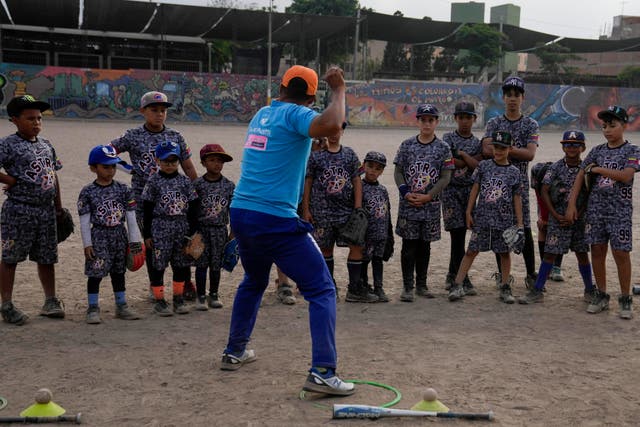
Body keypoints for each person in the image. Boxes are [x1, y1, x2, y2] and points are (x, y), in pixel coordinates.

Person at [220, 65, 355, 396]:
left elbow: (280, 148)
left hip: (242, 212)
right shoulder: (297, 114)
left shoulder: (263, 115)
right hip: (274, 219)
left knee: (253, 280)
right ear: (311, 97)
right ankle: (323, 371)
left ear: (280, 88)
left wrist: (311, 146)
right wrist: (338, 90)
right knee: (322, 289)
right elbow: (333, 122)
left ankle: (234, 351)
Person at [109, 91, 198, 299]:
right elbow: (107, 151)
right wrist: (127, 168)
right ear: (143, 111)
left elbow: (188, 166)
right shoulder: (132, 136)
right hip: (144, 200)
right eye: (154, 110)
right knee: (153, 243)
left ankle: (185, 282)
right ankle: (154, 285)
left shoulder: (176, 136)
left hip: (175, 202)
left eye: (163, 111)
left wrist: (197, 191)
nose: (160, 114)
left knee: (180, 241)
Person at [566, 106, 639, 319]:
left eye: (613, 125)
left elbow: (626, 176)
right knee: (597, 251)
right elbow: (581, 174)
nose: (607, 130)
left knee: (621, 253)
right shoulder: (597, 151)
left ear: (624, 126)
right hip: (596, 210)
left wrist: (597, 170)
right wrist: (572, 204)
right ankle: (602, 294)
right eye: (605, 126)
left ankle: (625, 298)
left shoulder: (632, 151)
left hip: (620, 211)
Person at [0, 95, 65, 325]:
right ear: (15, 120)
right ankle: (6, 304)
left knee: (47, 257)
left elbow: (53, 174)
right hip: (19, 209)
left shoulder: (46, 144)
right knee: (11, 257)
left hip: (46, 211)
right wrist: (11, 179)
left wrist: (58, 207)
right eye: (30, 118)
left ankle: (50, 300)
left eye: (39, 118)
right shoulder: (8, 144)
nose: (36, 122)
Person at [519, 130, 594, 304]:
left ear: (582, 148)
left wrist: (579, 213)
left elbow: (589, 194)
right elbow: (544, 191)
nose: (571, 148)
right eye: (568, 144)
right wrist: (554, 214)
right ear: (563, 147)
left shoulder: (586, 170)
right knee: (550, 254)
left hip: (579, 221)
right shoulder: (555, 168)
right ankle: (537, 290)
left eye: (576, 145)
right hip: (557, 219)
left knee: (582, 254)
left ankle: (589, 289)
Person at [303, 122, 375, 303]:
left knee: (357, 247)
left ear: (342, 131)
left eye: (338, 130)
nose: (334, 134)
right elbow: (308, 183)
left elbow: (357, 180)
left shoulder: (349, 154)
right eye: (330, 130)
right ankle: (330, 286)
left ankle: (354, 288)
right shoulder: (316, 157)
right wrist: (306, 209)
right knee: (326, 249)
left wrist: (358, 207)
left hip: (346, 211)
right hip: (322, 211)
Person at [449, 131, 523, 304]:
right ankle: (457, 284)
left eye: (503, 148)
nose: (498, 151)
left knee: (504, 253)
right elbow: (475, 188)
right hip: (482, 218)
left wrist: (520, 223)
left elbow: (517, 198)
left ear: (510, 149)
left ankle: (505, 287)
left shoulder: (514, 172)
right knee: (471, 251)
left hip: (503, 220)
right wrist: (469, 211)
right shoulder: (484, 166)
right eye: (496, 147)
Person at [483, 77, 538, 289]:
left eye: (517, 95)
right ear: (503, 98)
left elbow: (530, 154)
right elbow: (487, 150)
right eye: (509, 95)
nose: (512, 99)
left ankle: (531, 274)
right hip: (497, 186)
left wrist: (503, 148)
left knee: (522, 226)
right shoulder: (494, 123)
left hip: (519, 184)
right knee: (500, 229)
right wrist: (514, 149)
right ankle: (502, 274)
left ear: (522, 98)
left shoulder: (530, 124)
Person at [394, 104, 454, 302]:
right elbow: (398, 171)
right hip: (409, 204)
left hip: (430, 206)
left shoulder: (443, 148)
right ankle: (407, 286)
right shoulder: (407, 145)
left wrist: (429, 196)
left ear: (436, 122)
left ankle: (421, 284)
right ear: (417, 121)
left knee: (424, 246)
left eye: (431, 120)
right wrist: (405, 192)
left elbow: (446, 177)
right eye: (423, 119)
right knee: (408, 245)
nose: (427, 123)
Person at [78, 145, 143, 323]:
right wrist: (87, 244)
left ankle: (121, 306)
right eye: (105, 166)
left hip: (119, 235)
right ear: (93, 168)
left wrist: (134, 241)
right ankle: (92, 308)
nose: (111, 170)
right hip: (99, 235)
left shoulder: (124, 189)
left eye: (113, 166)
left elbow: (131, 216)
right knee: (95, 272)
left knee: (118, 272)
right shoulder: (88, 192)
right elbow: (85, 220)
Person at [141, 141, 199, 316]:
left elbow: (194, 205)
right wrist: (147, 234)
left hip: (181, 228)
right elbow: (147, 209)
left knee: (180, 265)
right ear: (157, 160)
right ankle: (160, 301)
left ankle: (178, 299)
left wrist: (192, 231)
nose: (170, 165)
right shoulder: (153, 181)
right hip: (160, 228)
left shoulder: (184, 181)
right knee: (159, 265)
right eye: (166, 161)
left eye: (174, 161)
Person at [441, 101, 482, 296]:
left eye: (468, 117)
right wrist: (469, 159)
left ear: (474, 119)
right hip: (451, 192)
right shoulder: (447, 138)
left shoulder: (478, 142)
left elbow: (477, 166)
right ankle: (461, 277)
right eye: (461, 117)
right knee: (456, 234)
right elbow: (450, 162)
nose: (465, 121)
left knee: (464, 234)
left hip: (470, 192)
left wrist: (464, 155)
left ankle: (452, 274)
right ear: (455, 118)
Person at [192, 143, 235, 310]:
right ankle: (201, 296)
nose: (217, 164)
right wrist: (192, 233)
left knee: (216, 264)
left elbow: (233, 209)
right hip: (201, 230)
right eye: (212, 160)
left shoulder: (229, 185)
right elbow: (192, 211)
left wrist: (233, 231)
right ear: (203, 162)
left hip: (219, 230)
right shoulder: (197, 185)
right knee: (201, 264)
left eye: (220, 161)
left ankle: (214, 294)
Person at [359, 151, 392, 303]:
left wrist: (389, 236)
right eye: (370, 166)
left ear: (382, 171)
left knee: (378, 260)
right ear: (364, 166)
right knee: (364, 261)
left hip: (381, 234)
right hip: (366, 235)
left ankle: (379, 287)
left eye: (378, 168)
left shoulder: (383, 190)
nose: (373, 170)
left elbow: (387, 213)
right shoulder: (359, 187)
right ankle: (364, 286)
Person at [530, 162, 564, 282]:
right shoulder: (536, 174)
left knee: (558, 231)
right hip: (544, 205)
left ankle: (557, 267)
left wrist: (556, 217)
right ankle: (546, 266)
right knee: (542, 227)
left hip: (560, 204)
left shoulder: (559, 180)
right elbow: (540, 198)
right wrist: (542, 218)